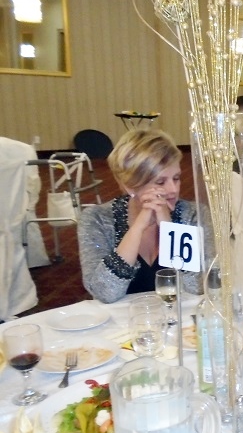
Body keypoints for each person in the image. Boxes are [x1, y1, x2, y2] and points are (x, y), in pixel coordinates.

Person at [77, 129, 202, 303]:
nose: (173, 189)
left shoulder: (194, 214)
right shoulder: (97, 219)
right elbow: (105, 293)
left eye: (176, 178)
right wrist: (138, 228)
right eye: (160, 182)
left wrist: (169, 228)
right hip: (125, 319)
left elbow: (197, 287)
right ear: (130, 186)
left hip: (179, 317)